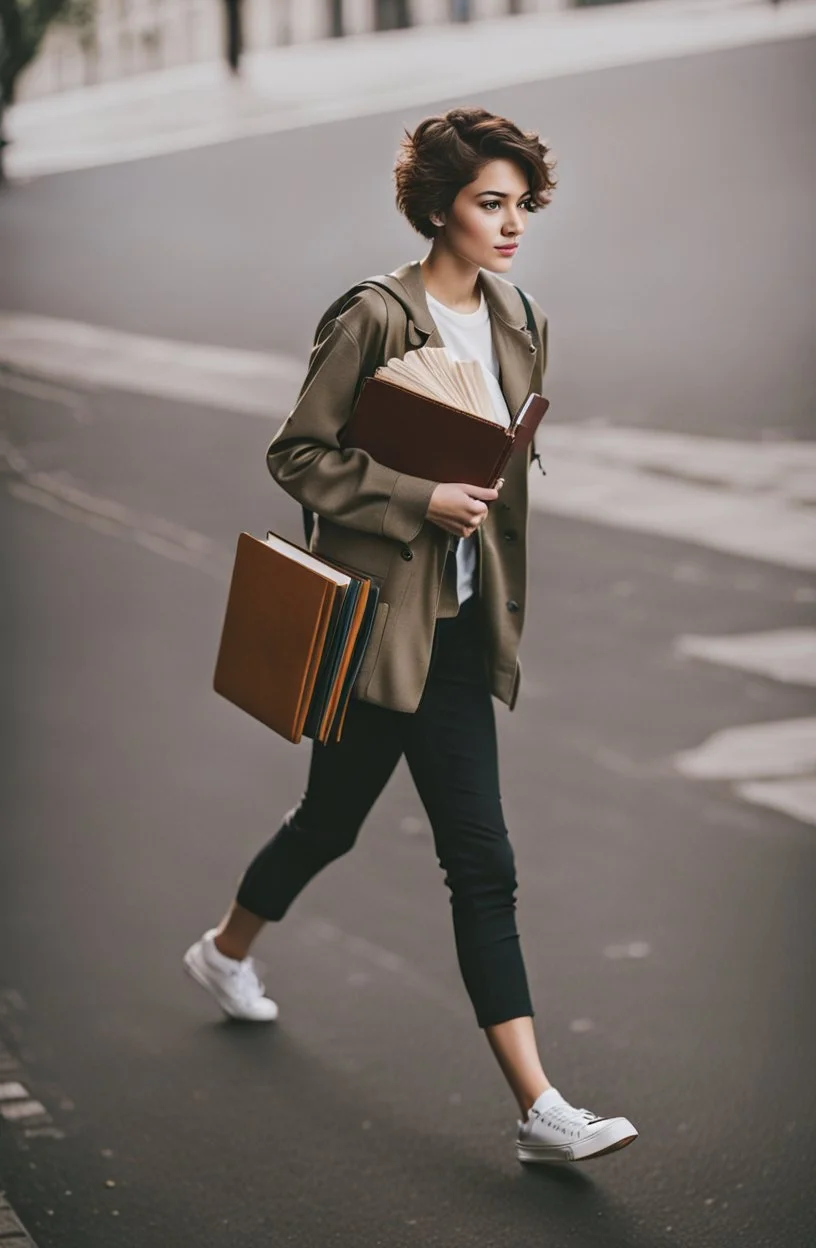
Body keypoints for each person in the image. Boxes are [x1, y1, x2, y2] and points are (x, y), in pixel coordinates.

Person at [184, 106, 638, 1166]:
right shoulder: (373, 319)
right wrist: (415, 495)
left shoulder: (520, 313)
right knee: (460, 852)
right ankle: (539, 1108)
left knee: (352, 828)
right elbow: (297, 456)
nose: (513, 223)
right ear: (438, 207)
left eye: (522, 204)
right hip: (382, 629)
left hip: (464, 624)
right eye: (491, 203)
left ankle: (222, 952)